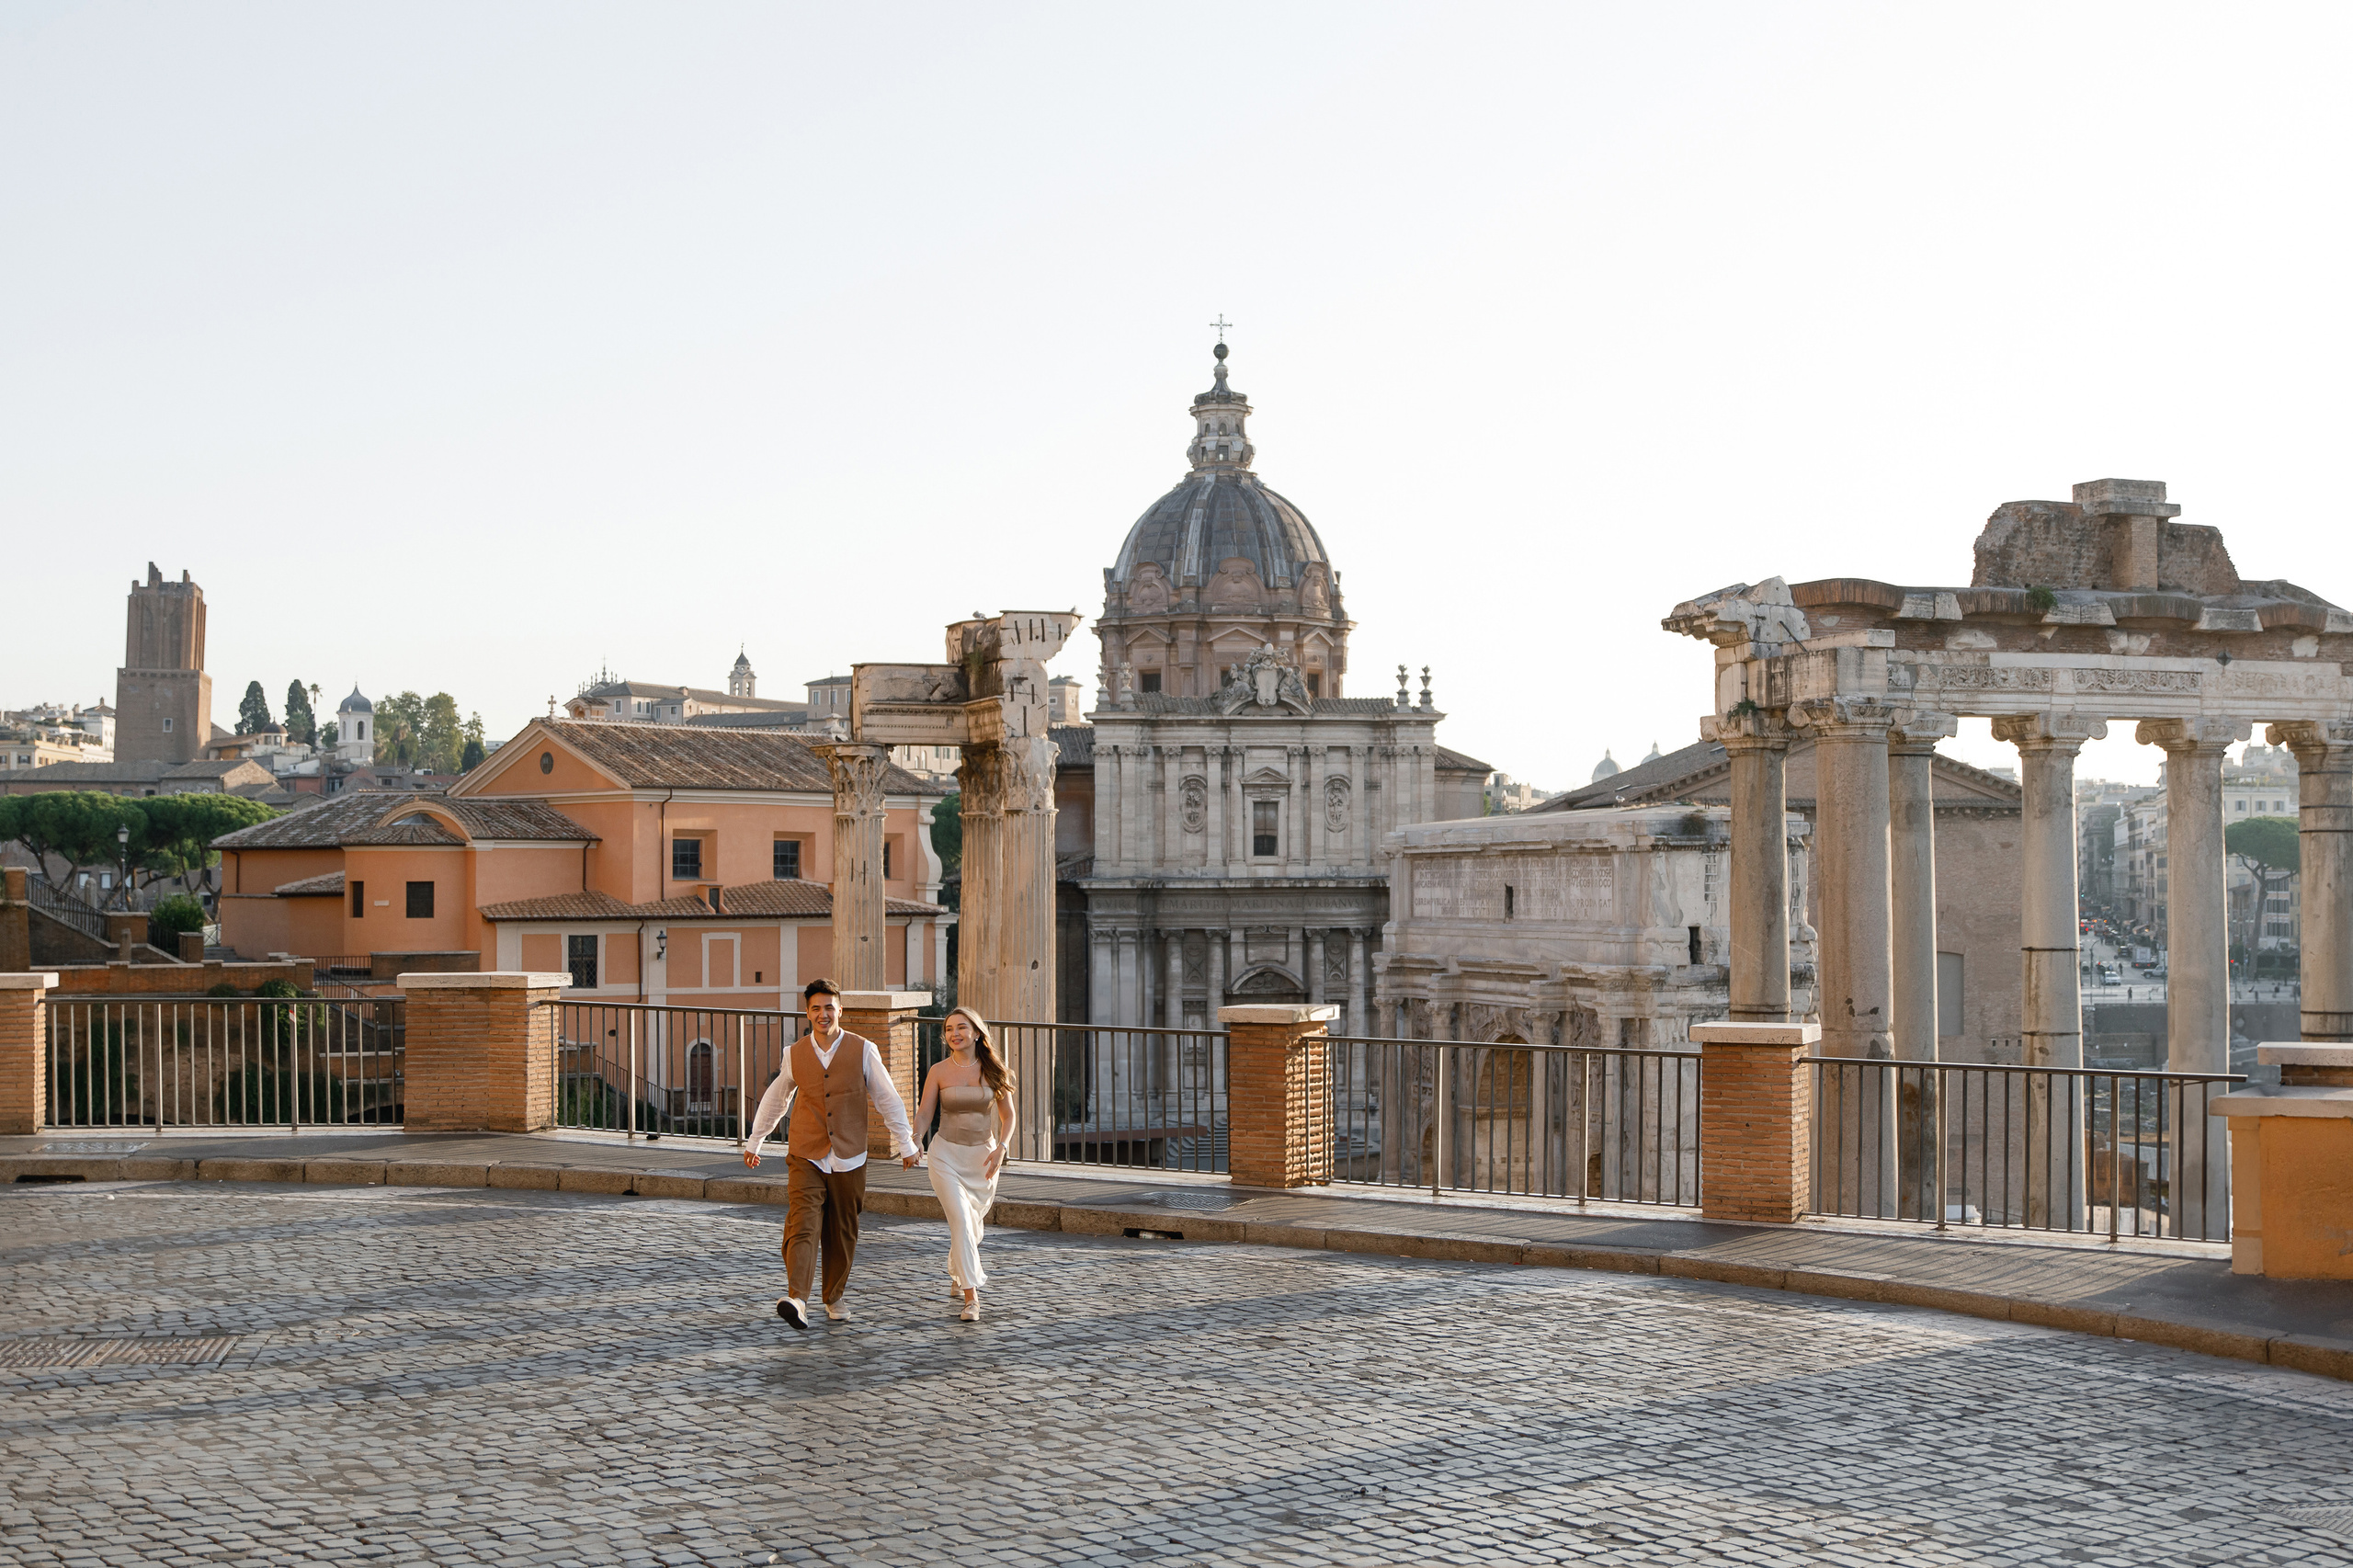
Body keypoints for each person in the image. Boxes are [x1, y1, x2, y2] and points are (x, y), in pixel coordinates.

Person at [743, 978, 922, 1330]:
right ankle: (797, 1298)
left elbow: (887, 1098)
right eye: (816, 1008)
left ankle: (833, 1295)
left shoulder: (863, 1049)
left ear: (840, 1009)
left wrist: (906, 1143)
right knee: (802, 1224)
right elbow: (777, 1098)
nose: (823, 1014)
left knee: (842, 1231)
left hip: (849, 1155)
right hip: (805, 1153)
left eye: (829, 1007)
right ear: (807, 1013)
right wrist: (755, 1141)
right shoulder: (794, 1054)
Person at [912, 1006, 1016, 1322]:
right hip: (945, 1156)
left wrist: (1002, 1148)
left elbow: (1008, 1116)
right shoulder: (939, 1071)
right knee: (960, 1219)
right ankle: (972, 1298)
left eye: (961, 1027)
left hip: (982, 1158)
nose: (954, 1034)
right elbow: (925, 1112)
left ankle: (958, 1270)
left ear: (977, 1033)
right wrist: (916, 1138)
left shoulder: (994, 1069)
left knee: (972, 1226)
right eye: (949, 1029)